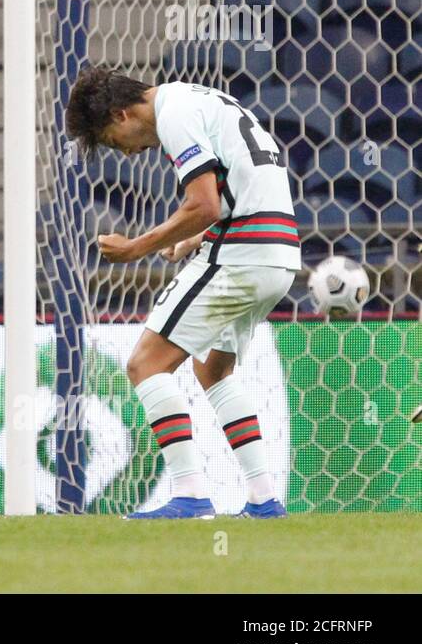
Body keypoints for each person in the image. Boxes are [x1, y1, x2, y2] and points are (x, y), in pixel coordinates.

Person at [65, 66, 298, 519]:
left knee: (146, 364)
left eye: (115, 142)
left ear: (121, 114)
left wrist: (136, 247)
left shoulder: (175, 114)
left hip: (244, 254)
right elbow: (239, 184)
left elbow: (204, 204)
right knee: (213, 371)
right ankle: (264, 499)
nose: (128, 154)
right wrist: (193, 239)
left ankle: (190, 495)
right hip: (279, 254)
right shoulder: (201, 99)